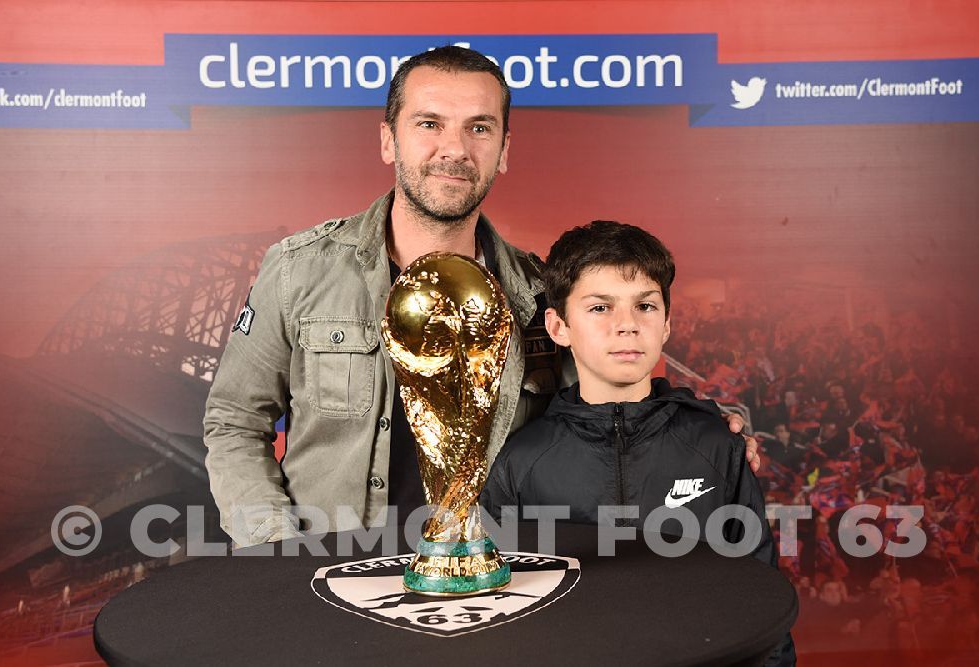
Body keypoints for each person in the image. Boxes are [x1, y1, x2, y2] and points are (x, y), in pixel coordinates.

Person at [204, 46, 758, 547]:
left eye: (479, 128)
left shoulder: (539, 292)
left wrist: (706, 427)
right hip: (333, 575)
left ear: (504, 149)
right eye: (429, 124)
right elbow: (235, 420)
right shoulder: (300, 271)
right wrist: (272, 547)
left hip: (494, 580)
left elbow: (604, 408)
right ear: (387, 139)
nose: (455, 148)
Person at [480, 221, 794, 665]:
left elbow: (762, 601)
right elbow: (498, 610)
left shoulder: (717, 446)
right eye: (600, 308)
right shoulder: (522, 460)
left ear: (666, 323)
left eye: (645, 305)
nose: (626, 325)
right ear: (558, 326)